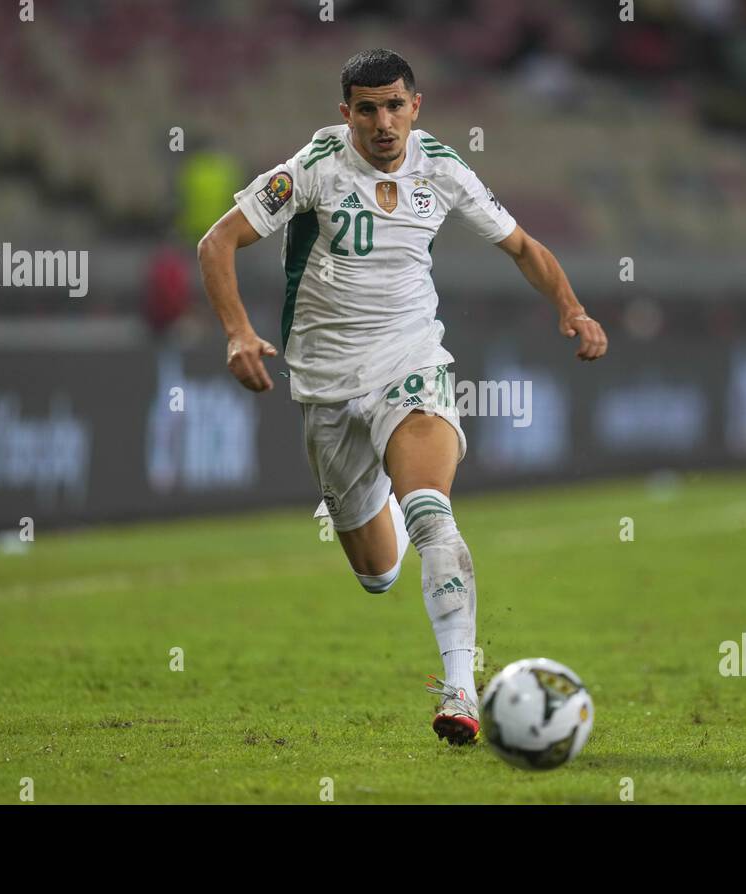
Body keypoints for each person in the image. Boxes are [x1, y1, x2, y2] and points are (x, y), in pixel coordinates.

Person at [197, 48, 607, 745]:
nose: (383, 122)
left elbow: (523, 246)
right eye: (367, 108)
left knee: (433, 517)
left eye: (395, 106)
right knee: (379, 574)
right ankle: (379, 495)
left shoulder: (442, 168)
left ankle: (458, 691)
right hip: (327, 385)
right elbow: (217, 242)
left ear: (416, 106)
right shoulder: (316, 165)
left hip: (411, 365)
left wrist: (571, 307)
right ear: (346, 113)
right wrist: (238, 333)